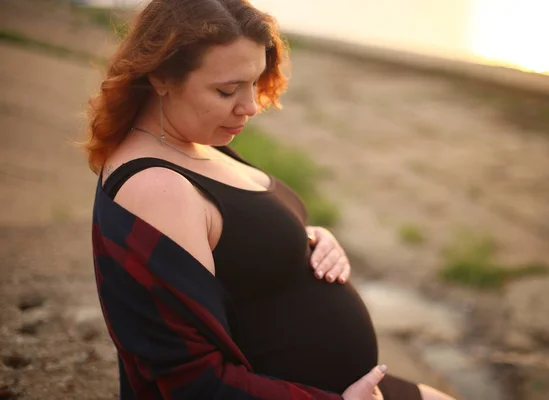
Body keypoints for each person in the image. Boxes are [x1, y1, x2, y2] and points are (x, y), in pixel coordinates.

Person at [85, 0, 456, 399]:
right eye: (226, 90)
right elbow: (191, 381)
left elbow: (236, 246)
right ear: (161, 77)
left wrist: (306, 239)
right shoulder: (156, 188)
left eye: (255, 82)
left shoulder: (192, 142)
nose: (249, 107)